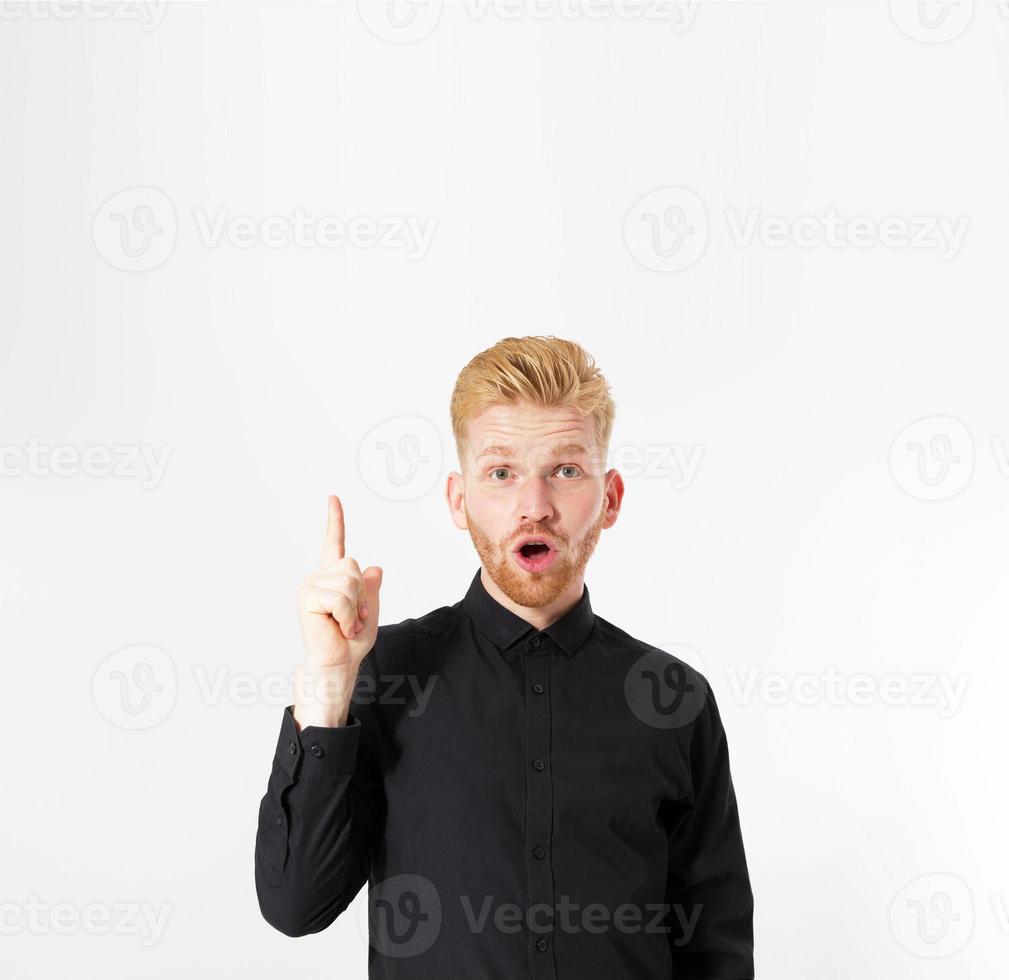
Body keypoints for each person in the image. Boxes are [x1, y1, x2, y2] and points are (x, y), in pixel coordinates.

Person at [255, 336, 755, 979]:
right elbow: (297, 906)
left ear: (610, 498)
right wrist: (327, 684)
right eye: (502, 473)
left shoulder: (674, 698)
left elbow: (715, 950)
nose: (534, 506)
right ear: (459, 500)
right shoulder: (384, 675)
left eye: (566, 471)